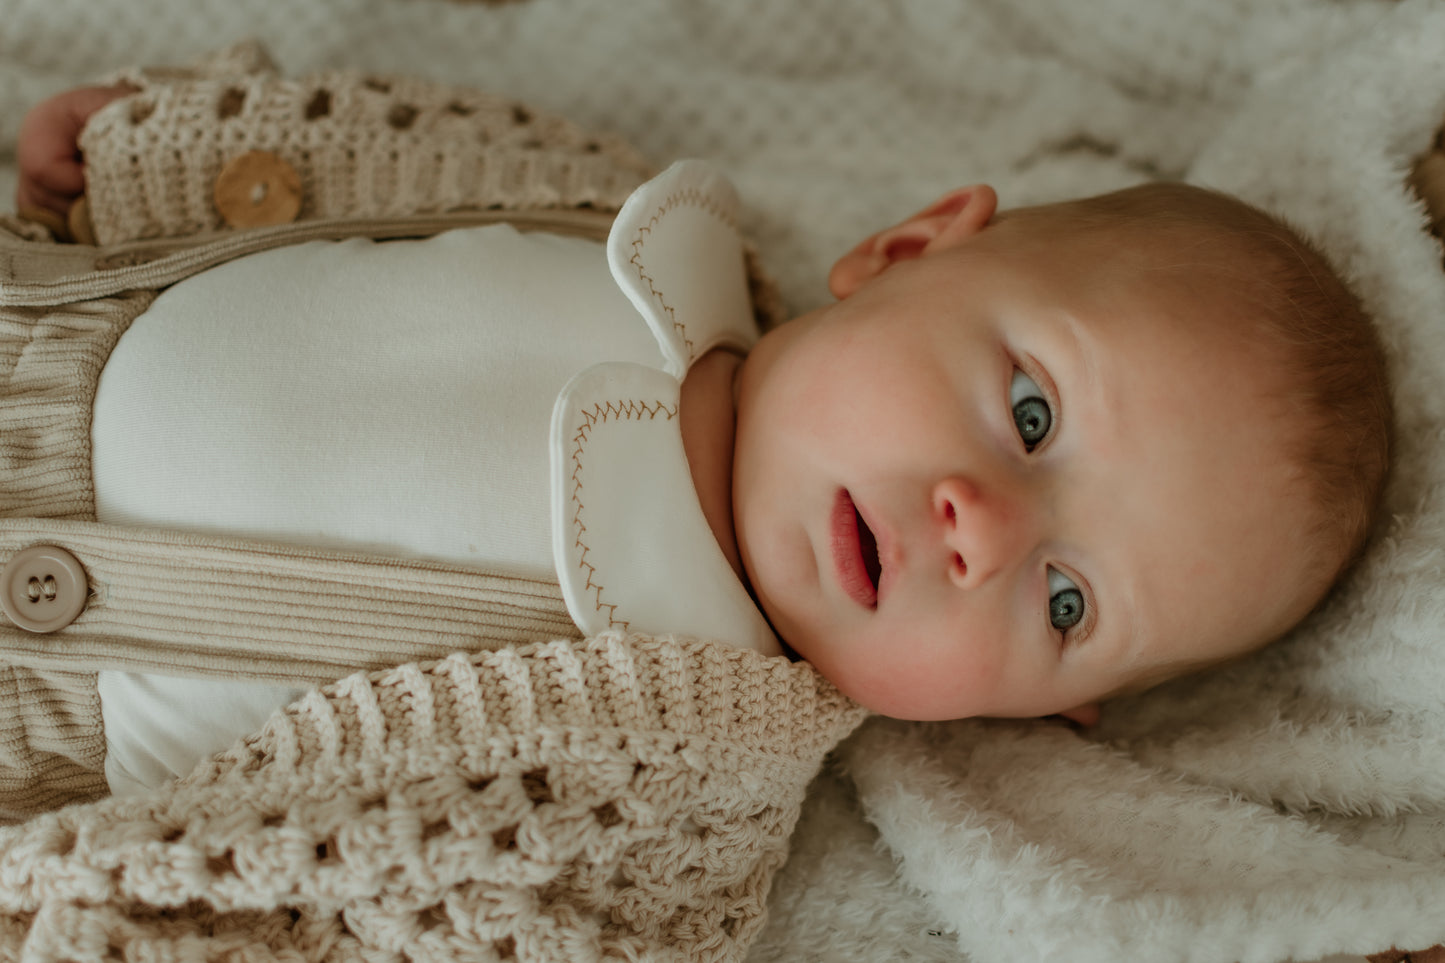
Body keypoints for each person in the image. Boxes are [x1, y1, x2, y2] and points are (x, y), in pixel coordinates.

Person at [12, 77, 1390, 780]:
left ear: (1042, 711)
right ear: (908, 249)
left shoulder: (679, 775)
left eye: (1068, 598)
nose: (984, 532)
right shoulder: (630, 226)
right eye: (1029, 414)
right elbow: (362, 168)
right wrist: (156, 152)